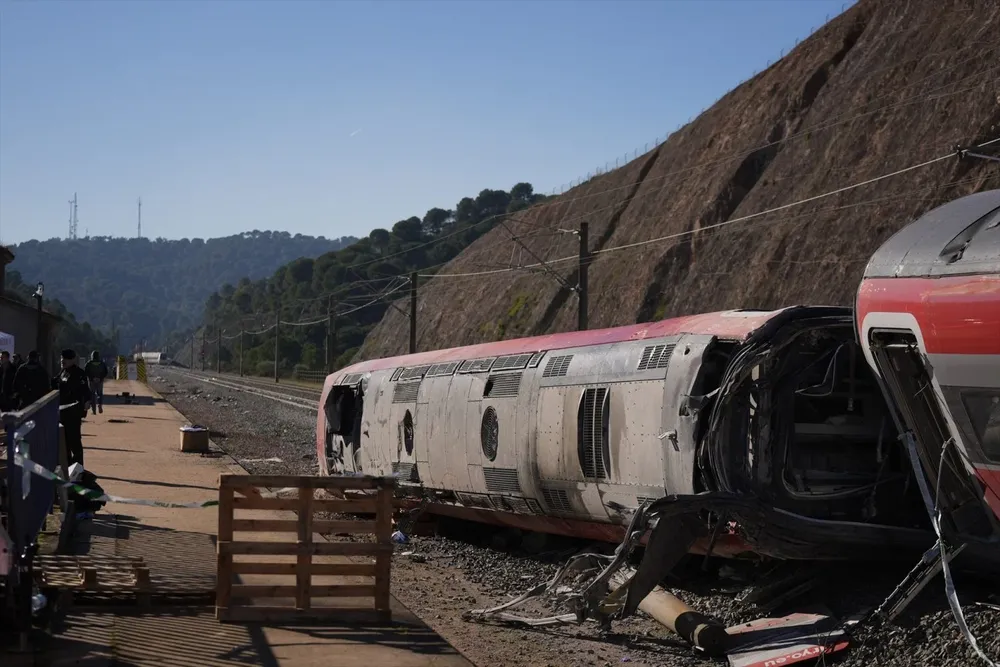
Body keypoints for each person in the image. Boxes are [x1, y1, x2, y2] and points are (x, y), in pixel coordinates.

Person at [53, 349, 91, 467]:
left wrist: (87, 401)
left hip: (73, 413)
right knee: (64, 444)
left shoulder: (79, 374)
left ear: (73, 360)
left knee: (74, 441)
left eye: (66, 359)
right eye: (62, 359)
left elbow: (86, 391)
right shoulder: (62, 372)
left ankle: (78, 468)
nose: (63, 361)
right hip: (61, 413)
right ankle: (68, 467)